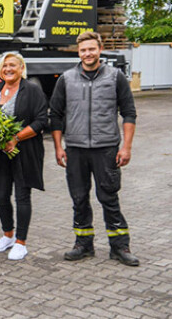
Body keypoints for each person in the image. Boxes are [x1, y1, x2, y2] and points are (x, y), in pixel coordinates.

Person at [50, 31, 139, 266]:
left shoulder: (115, 77)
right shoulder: (66, 79)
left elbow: (129, 112)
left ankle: (120, 246)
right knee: (79, 198)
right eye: (83, 50)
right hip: (76, 150)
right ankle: (83, 244)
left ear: (100, 49)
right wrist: (59, 147)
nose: (87, 53)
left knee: (108, 197)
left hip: (106, 149)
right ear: (78, 53)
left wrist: (126, 147)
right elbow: (56, 116)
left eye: (91, 49)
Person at [0, 52, 48, 261]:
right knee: (1, 195)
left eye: (13, 65)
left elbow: (42, 121)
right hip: (0, 155)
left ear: (21, 68)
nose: (8, 69)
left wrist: (16, 138)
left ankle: (21, 242)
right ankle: (8, 235)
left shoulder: (32, 90)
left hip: (23, 152)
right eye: (5, 66)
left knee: (22, 196)